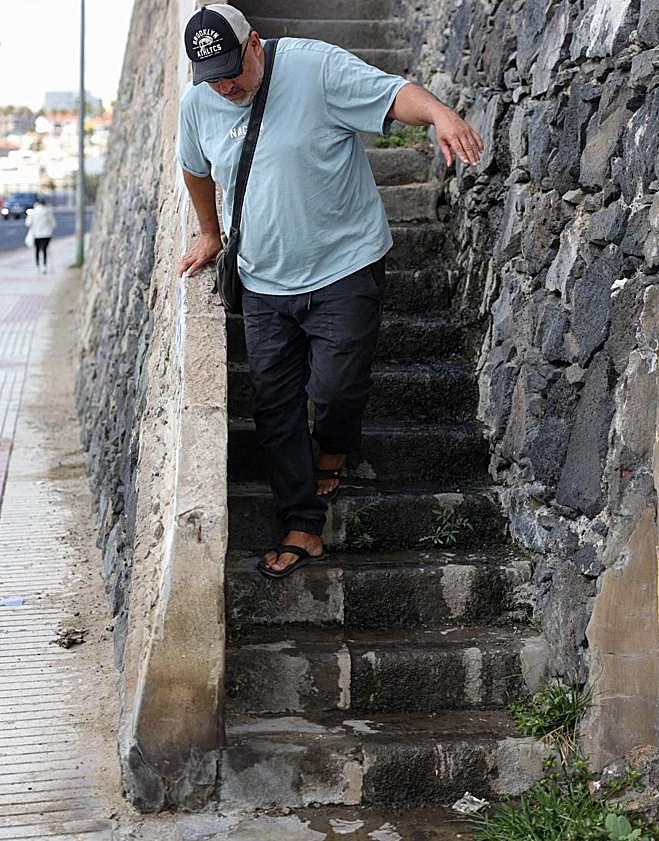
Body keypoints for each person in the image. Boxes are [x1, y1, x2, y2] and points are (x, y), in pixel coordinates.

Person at [177, 4, 484, 579]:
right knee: (274, 409)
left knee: (337, 388)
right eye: (211, 77)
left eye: (231, 71)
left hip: (343, 266)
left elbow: (394, 95)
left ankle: (335, 448)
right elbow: (194, 167)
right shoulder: (200, 103)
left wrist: (439, 114)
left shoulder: (317, 68)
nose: (225, 86)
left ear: (255, 46)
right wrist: (211, 234)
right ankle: (301, 523)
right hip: (264, 281)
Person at [26, 198, 56, 274]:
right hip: (47, 234)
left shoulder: (33, 212)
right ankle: (44, 266)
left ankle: (37, 266)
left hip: (36, 234)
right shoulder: (48, 211)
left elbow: (28, 223)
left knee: (37, 250)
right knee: (45, 250)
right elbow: (53, 223)